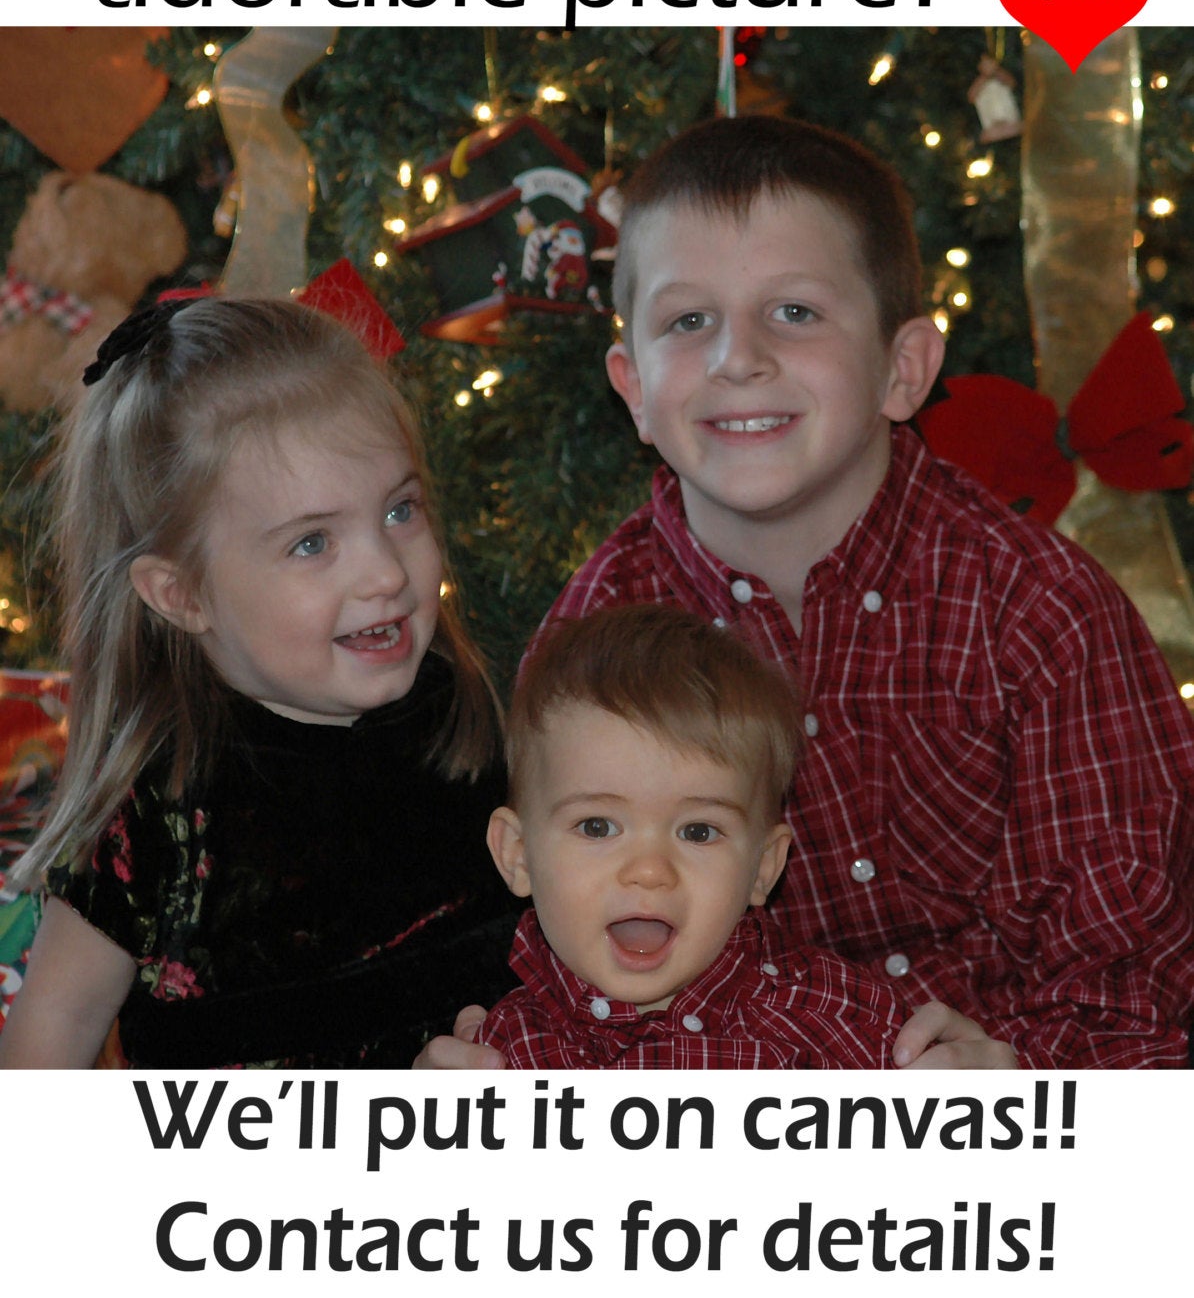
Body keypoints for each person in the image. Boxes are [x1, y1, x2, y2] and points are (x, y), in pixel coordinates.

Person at [428, 114, 1194, 1070]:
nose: (737, 358)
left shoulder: (1041, 612)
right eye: (688, 321)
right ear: (633, 388)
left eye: (793, 312)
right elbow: (567, 936)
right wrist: (508, 1063)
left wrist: (1024, 1076)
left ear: (903, 370)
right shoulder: (597, 639)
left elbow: (1134, 979)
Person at [0, 297, 515, 1069]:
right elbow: (47, 1047)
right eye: (312, 543)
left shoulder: (457, 710)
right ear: (183, 595)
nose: (384, 572)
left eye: (400, 510)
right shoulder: (160, 814)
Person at [479, 604, 902, 1068]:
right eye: (597, 826)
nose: (649, 871)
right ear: (518, 854)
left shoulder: (844, 1022)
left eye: (698, 832)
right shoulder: (497, 1062)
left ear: (763, 866)